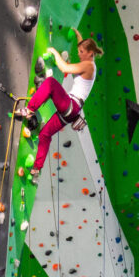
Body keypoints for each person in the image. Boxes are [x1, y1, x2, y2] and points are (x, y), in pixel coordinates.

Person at [16, 30, 103, 176]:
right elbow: (83, 47)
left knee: (50, 83)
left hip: (71, 105)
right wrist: (78, 35)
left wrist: (54, 52)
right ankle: (37, 169)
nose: (79, 54)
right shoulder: (89, 63)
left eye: (81, 52)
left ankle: (29, 110)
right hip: (71, 113)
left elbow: (64, 68)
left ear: (90, 53)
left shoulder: (89, 65)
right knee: (44, 135)